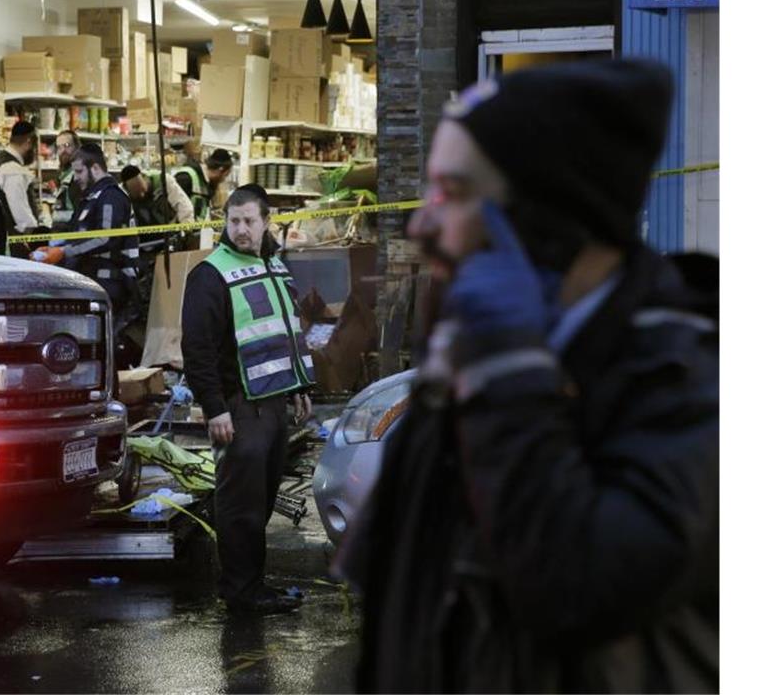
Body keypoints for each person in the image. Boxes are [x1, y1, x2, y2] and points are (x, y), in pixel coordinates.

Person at [349, 59, 718, 692]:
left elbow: (578, 590)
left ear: (547, 233)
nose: (420, 225)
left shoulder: (687, 386)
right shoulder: (464, 362)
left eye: (454, 195)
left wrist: (509, 373)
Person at [181, 184, 315, 615]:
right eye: (233, 221)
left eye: (249, 221)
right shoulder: (210, 274)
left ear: (266, 222)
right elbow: (197, 348)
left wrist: (299, 387)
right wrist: (215, 407)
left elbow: (286, 332)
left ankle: (253, 586)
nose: (240, 229)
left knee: (259, 503)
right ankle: (241, 592)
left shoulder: (273, 264)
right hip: (239, 408)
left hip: (273, 404)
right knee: (241, 507)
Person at [30, 143, 140, 317]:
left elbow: (105, 238)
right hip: (92, 280)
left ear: (95, 168)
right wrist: (53, 247)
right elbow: (78, 235)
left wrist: (62, 251)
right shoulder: (91, 198)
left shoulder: (111, 197)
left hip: (109, 283)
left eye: (79, 172)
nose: (75, 178)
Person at [0, 119, 47, 231]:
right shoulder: (13, 170)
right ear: (28, 142)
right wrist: (35, 236)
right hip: (15, 240)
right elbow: (20, 213)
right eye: (35, 147)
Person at [119, 164, 194, 235]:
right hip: (144, 236)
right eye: (137, 193)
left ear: (145, 178)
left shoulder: (164, 181)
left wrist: (186, 227)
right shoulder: (121, 194)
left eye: (143, 190)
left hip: (171, 232)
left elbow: (183, 204)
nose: (142, 195)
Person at [172, 146, 233, 219]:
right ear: (220, 170)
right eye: (225, 176)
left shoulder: (207, 183)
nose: (223, 180)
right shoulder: (186, 177)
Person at [51, 129, 82, 229]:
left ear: (77, 148)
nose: (63, 151)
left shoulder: (81, 176)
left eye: (67, 145)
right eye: (59, 147)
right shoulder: (64, 173)